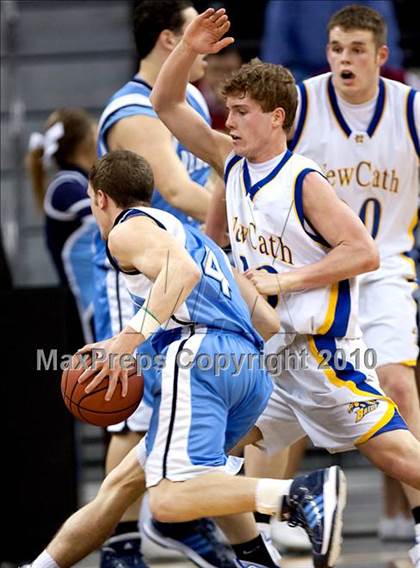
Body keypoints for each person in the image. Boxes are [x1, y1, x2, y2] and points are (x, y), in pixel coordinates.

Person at [149, 6, 420, 564]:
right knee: (234, 450)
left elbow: (363, 252)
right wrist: (188, 48)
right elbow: (166, 104)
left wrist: (285, 278)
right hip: (273, 353)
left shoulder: (304, 180)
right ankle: (258, 550)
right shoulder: (233, 159)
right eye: (228, 110)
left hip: (322, 355)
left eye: (241, 112)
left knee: (398, 457)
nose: (229, 121)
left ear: (275, 117)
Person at [27, 149, 346, 568]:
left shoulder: (125, 231)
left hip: (199, 359)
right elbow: (268, 322)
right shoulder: (197, 238)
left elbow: (182, 274)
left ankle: (294, 495)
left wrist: (127, 341)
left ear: (101, 198)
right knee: (123, 484)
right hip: (248, 370)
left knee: (168, 499)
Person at [93, 2, 229, 566]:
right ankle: (123, 545)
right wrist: (247, 219)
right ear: (171, 38)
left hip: (186, 270)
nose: (212, 43)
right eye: (198, 29)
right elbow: (175, 190)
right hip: (139, 275)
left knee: (202, 399)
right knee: (131, 414)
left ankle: (183, 521)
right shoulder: (132, 112)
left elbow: (217, 177)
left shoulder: (188, 98)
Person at [285, 3, 420, 558]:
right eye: (336, 48)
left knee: (398, 383)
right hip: (313, 271)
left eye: (357, 50)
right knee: (277, 404)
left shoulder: (410, 108)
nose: (345, 59)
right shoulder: (300, 104)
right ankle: (270, 527)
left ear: (381, 56)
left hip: (385, 265)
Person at [27, 107, 97, 342]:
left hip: (94, 300)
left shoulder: (77, 182)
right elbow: (109, 220)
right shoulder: (65, 186)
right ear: (88, 140)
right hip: (82, 303)